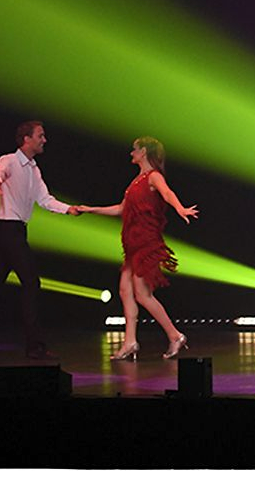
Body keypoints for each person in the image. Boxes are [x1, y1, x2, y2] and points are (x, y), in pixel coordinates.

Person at [0, 121, 74, 360]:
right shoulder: (9, 160)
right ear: (26, 139)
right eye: (40, 136)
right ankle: (34, 346)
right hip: (8, 230)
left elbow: (45, 199)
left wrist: (68, 209)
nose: (44, 140)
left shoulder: (34, 170)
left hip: (16, 230)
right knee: (31, 283)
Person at [75, 137, 198, 361]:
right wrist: (90, 209)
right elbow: (121, 209)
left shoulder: (153, 176)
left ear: (143, 152)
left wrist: (180, 208)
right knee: (125, 291)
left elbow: (167, 193)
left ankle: (175, 335)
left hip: (145, 242)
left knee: (142, 294)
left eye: (134, 149)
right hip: (132, 244)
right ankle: (130, 341)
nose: (131, 153)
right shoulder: (136, 181)